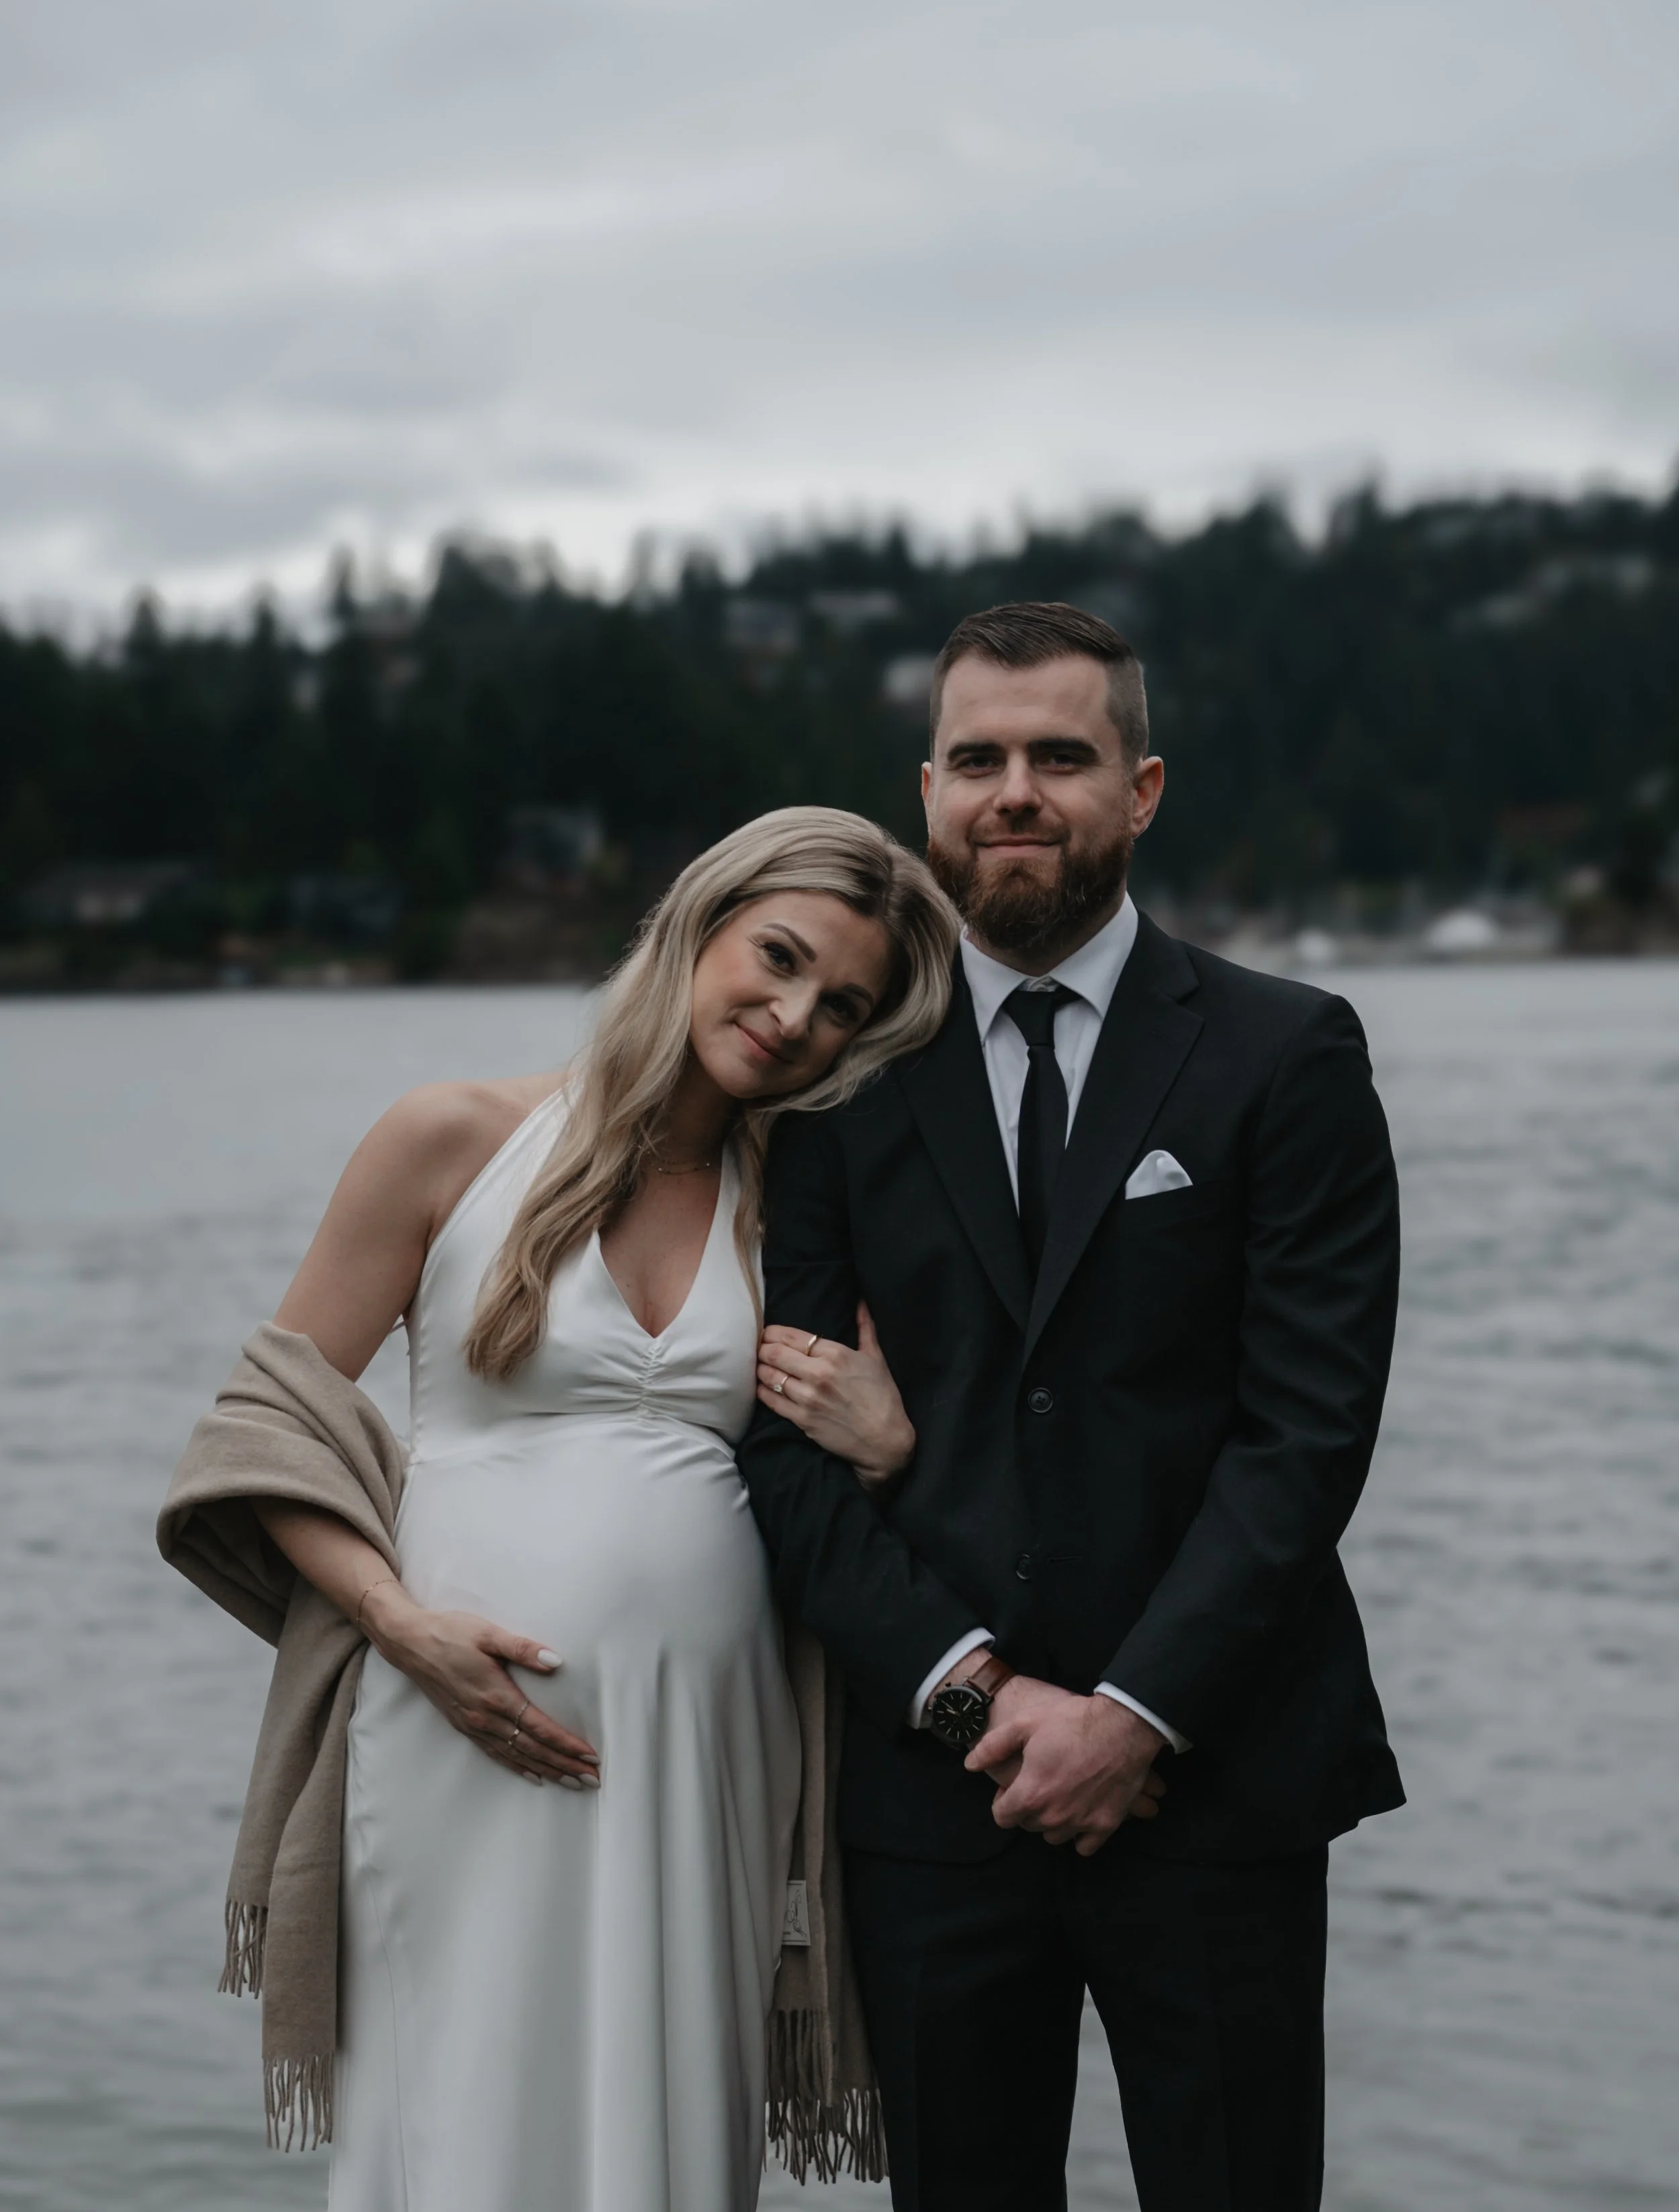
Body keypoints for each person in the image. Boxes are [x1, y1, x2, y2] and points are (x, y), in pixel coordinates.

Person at [738, 603, 1405, 2212]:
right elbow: (779, 1438)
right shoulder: (838, 1086)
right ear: (926, 793)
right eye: (977, 759)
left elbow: (1303, 1435)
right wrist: (979, 1697)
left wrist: (1128, 1712)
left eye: (1059, 754)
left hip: (1219, 1775)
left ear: (1144, 785)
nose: (1013, 791)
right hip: (936, 1794)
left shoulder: (1283, 1052)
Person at [226, 807, 958, 2212]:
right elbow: (270, 1425)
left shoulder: (797, 1204)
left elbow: (836, 1469)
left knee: (671, 2115)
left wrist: (884, 1447)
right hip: (458, 1714)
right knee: (464, 2103)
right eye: (779, 957)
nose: (794, 1015)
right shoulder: (450, 1135)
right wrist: (396, 1626)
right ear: (700, 921)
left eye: (841, 1006)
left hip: (712, 1740)